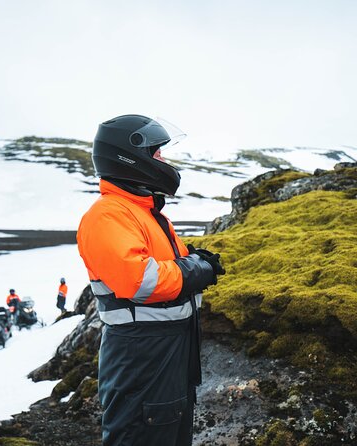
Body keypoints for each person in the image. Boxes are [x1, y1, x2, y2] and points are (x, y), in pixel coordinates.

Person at [77, 115, 226, 446]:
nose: (163, 161)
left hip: (167, 352)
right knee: (141, 434)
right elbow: (142, 280)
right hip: (140, 358)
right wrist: (198, 270)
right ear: (130, 157)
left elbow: (170, 265)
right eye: (157, 154)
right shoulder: (108, 215)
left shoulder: (146, 212)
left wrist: (194, 262)